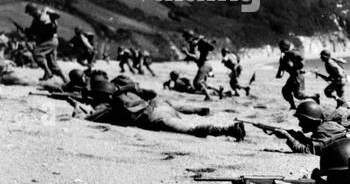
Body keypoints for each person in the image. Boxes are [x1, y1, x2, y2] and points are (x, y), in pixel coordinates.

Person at [84, 76, 246, 140]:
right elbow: (151, 93)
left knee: (191, 129)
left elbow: (88, 118)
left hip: (155, 118)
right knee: (184, 117)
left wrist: (79, 106)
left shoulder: (109, 105)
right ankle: (203, 113)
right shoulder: (127, 93)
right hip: (160, 106)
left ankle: (229, 130)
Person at [21, 3, 64, 83]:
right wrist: (25, 31)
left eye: (30, 12)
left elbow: (57, 16)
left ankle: (48, 72)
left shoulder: (45, 16)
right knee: (52, 64)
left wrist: (49, 13)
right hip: (50, 41)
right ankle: (65, 79)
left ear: (33, 11)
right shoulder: (36, 20)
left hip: (50, 40)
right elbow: (32, 32)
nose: (30, 14)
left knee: (37, 53)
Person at [276, 41, 313, 110]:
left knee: (298, 95)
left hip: (296, 76)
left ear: (283, 47)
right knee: (286, 91)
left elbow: (292, 64)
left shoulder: (290, 54)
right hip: (294, 76)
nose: (279, 48)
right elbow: (282, 69)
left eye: (280, 47)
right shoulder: (286, 55)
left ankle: (314, 96)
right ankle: (293, 106)